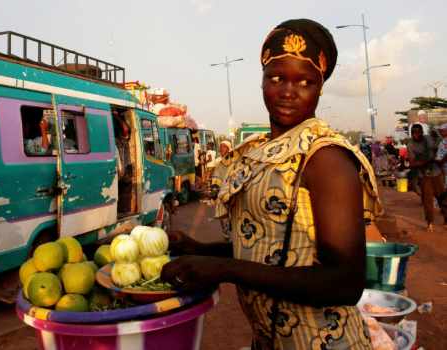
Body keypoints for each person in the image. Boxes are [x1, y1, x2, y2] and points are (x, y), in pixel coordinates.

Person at [161, 19, 382, 349]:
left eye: (304, 81)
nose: (288, 91)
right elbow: (271, 247)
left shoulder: (325, 158)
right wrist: (202, 250)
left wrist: (224, 269)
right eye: (276, 77)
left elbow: (344, 283)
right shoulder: (258, 151)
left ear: (320, 87)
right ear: (262, 80)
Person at [408, 124, 447, 231]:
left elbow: (433, 148)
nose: (415, 135)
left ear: (421, 132)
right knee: (427, 199)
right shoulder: (411, 145)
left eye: (417, 133)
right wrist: (429, 161)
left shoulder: (428, 138)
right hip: (423, 175)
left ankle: (446, 220)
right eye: (413, 133)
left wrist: (437, 160)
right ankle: (430, 223)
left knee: (442, 197)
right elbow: (412, 163)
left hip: (436, 172)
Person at [211, 140, 233, 240]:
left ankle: (232, 232)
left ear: (229, 149)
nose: (221, 149)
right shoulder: (218, 162)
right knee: (223, 215)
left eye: (224, 147)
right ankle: (226, 236)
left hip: (231, 191)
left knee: (232, 214)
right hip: (220, 191)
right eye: (220, 147)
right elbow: (216, 176)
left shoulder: (234, 161)